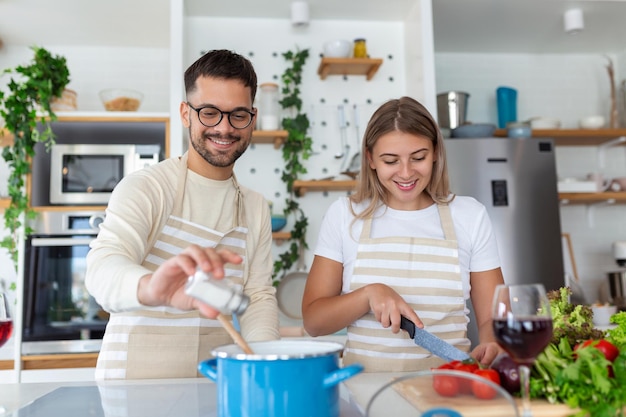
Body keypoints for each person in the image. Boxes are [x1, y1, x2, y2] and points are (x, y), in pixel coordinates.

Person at [86, 49, 279, 380]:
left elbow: (258, 297)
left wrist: (265, 365)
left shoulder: (255, 206)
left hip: (214, 384)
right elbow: (103, 268)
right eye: (209, 112)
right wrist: (150, 288)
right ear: (185, 113)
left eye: (238, 115)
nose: (224, 128)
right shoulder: (147, 188)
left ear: (253, 118)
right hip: (133, 388)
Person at [301, 96, 504, 372]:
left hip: (448, 387)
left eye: (418, 158)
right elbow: (314, 322)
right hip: (365, 394)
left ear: (435, 154)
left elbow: (495, 320)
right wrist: (368, 295)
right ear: (371, 158)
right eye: (390, 160)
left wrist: (494, 343)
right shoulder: (345, 215)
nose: (406, 173)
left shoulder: (469, 215)